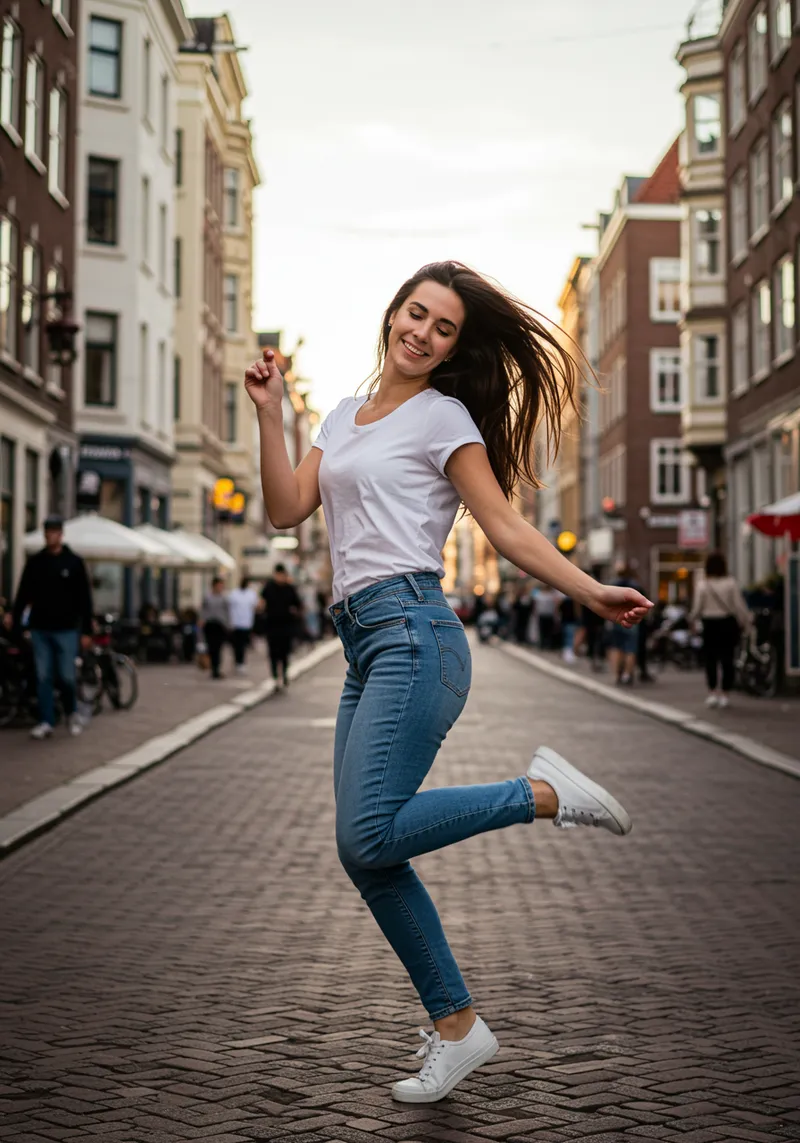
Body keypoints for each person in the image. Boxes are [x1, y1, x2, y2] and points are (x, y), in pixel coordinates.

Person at [245, 260, 651, 1103]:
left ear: (451, 348)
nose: (421, 332)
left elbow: (504, 525)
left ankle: (540, 793)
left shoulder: (444, 417)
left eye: (443, 328)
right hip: (362, 643)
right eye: (415, 313)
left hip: (415, 634)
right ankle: (459, 1027)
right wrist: (269, 412)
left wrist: (588, 589)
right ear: (391, 311)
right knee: (371, 853)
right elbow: (286, 507)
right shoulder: (346, 415)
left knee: (365, 834)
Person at [3, 515, 93, 738]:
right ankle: (46, 721)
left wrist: (87, 630)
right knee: (43, 676)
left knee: (67, 676)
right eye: (47, 532)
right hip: (41, 628)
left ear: (61, 535)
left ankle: (72, 712)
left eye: (53, 532)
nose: (50, 536)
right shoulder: (36, 563)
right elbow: (23, 593)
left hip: (66, 629)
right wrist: (15, 618)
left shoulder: (73, 562)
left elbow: (84, 598)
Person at [690, 551, 751, 709]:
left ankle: (712, 693)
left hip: (710, 624)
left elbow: (697, 608)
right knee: (727, 659)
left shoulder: (703, 585)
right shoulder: (731, 583)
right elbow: (739, 605)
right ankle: (725, 694)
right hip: (727, 623)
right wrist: (746, 621)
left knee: (710, 659)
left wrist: (692, 620)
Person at [261, 564, 303, 688]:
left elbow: (299, 605)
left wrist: (294, 612)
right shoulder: (268, 587)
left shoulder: (290, 588)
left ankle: (284, 674)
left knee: (285, 652)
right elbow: (262, 602)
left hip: (286, 625)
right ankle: (275, 676)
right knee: (273, 652)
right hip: (272, 625)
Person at [607, 562, 642, 686]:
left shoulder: (613, 585)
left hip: (616, 619)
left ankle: (617, 674)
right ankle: (627, 674)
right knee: (630, 649)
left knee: (617, 647)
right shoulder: (635, 585)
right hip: (632, 620)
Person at [227, 576, 259, 674]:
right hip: (235, 623)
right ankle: (238, 661)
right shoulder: (234, 594)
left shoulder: (251, 594)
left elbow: (255, 607)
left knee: (243, 645)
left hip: (246, 623)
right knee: (237, 645)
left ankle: (240, 662)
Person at [199, 576, 230, 679]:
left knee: (218, 647)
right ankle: (213, 668)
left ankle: (216, 669)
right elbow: (203, 609)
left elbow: (227, 612)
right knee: (211, 647)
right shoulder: (207, 597)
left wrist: (228, 624)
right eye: (219, 585)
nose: (221, 587)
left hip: (220, 625)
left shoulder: (224, 598)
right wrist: (202, 620)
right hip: (210, 624)